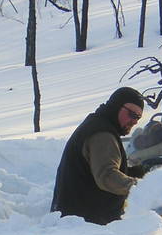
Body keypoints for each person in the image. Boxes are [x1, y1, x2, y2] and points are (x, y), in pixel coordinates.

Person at [51, 87, 145, 225]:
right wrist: (143, 187)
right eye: (132, 114)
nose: (135, 121)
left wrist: (137, 173)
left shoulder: (96, 124)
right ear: (116, 106)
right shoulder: (103, 135)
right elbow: (107, 176)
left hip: (78, 219)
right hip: (86, 225)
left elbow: (94, 169)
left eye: (138, 117)